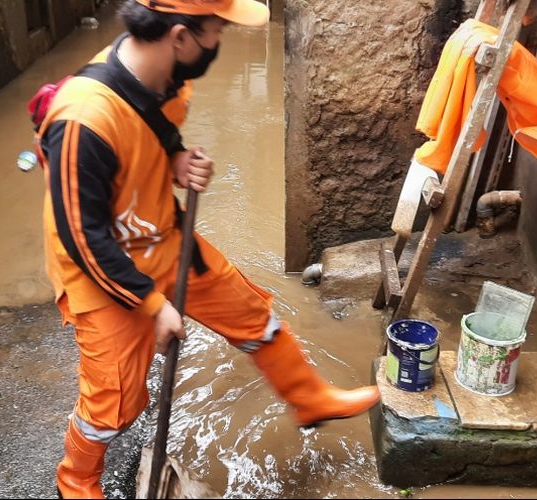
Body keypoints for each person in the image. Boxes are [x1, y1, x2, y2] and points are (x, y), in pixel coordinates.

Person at [35, 1, 381, 497]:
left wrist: (176, 156)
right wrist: (153, 305)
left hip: (161, 239)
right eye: (216, 29)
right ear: (179, 36)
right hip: (101, 269)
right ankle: (77, 480)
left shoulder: (170, 77)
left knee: (253, 314)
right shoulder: (83, 122)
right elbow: (83, 238)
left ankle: (310, 400)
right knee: (114, 405)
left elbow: (158, 127)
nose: (220, 41)